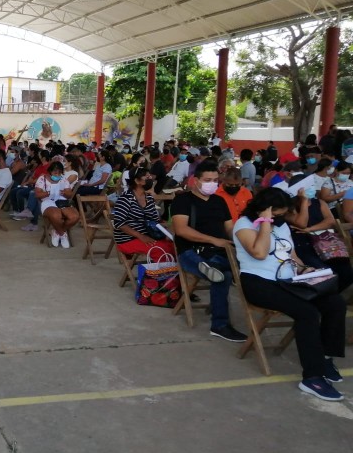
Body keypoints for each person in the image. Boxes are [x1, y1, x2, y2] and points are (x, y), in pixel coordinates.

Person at [233, 187, 346, 401]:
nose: (281, 218)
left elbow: (291, 254)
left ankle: (325, 357)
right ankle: (312, 377)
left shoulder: (282, 224)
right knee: (308, 313)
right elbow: (259, 253)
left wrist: (304, 270)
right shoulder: (244, 225)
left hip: (289, 280)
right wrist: (265, 223)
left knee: (335, 303)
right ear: (264, 209)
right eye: (277, 214)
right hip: (259, 283)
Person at [171, 160, 247, 342]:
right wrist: (214, 240)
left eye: (215, 180)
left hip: (219, 251)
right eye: (207, 180)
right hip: (191, 251)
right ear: (195, 180)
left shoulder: (219, 201)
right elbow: (181, 230)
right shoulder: (183, 200)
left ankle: (212, 267)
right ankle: (220, 325)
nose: (212, 183)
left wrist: (244, 240)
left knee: (238, 267)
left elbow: (230, 228)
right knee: (223, 276)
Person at [113, 166, 175, 261]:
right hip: (128, 239)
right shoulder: (125, 198)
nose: (150, 178)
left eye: (150, 176)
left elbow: (155, 220)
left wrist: (166, 231)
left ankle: (172, 273)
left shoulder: (149, 198)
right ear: (137, 181)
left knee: (175, 246)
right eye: (147, 177)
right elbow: (119, 223)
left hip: (148, 235)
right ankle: (162, 274)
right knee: (160, 250)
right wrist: (140, 236)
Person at [36, 161, 79, 248]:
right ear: (50, 171)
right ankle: (63, 235)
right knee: (56, 216)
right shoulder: (42, 179)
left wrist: (64, 192)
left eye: (59, 173)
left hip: (61, 201)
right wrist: (48, 193)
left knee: (74, 216)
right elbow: (37, 195)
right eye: (55, 172)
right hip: (48, 201)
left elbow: (70, 194)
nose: (57, 175)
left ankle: (57, 232)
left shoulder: (63, 179)